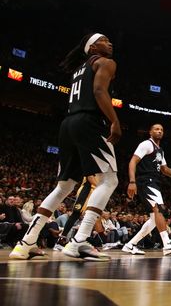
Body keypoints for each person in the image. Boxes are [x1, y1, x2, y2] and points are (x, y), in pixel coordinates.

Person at [10, 33, 121, 261]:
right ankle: (79, 241)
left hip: (67, 124)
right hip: (88, 123)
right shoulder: (105, 62)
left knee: (64, 187)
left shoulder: (79, 69)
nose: (110, 43)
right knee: (110, 180)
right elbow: (100, 92)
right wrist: (115, 121)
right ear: (92, 47)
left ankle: (26, 243)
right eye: (104, 40)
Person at [124, 124, 171, 256]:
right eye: (156, 129)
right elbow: (132, 162)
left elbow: (165, 170)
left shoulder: (160, 150)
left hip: (154, 182)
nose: (159, 131)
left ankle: (130, 245)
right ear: (150, 132)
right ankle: (167, 244)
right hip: (146, 181)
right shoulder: (146, 144)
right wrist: (132, 181)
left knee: (154, 219)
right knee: (159, 209)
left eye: (161, 130)